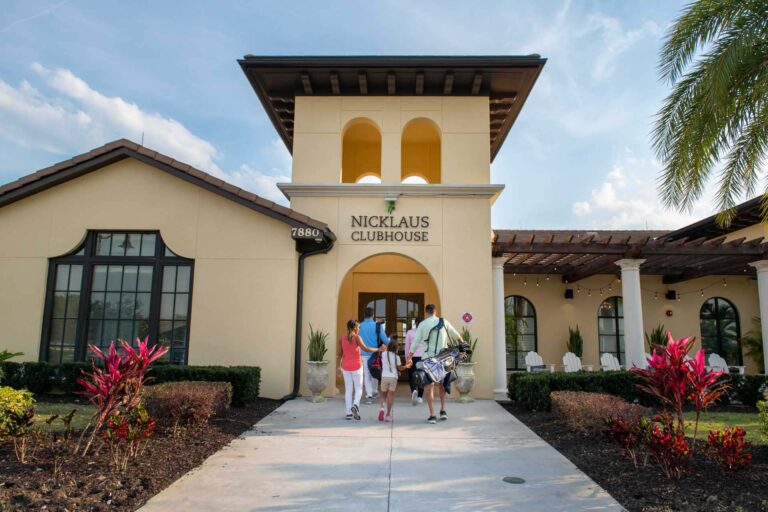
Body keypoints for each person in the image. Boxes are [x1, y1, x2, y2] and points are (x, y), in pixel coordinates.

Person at [406, 304, 462, 424]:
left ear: (426, 313)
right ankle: (443, 410)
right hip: (443, 358)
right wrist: (462, 346)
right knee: (442, 384)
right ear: (435, 312)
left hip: (428, 359)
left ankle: (432, 415)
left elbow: (415, 343)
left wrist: (409, 357)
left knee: (429, 386)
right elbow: (456, 336)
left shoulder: (423, 324)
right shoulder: (444, 322)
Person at [337, 319, 387, 420]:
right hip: (356, 366)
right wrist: (379, 349)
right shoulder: (357, 337)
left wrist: (339, 367)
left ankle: (348, 413)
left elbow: (340, 354)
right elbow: (366, 349)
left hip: (346, 367)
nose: (359, 328)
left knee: (348, 389)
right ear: (355, 328)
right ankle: (355, 405)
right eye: (359, 327)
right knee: (359, 389)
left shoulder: (342, 338)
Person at [358, 307, 389, 406]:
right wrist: (391, 343)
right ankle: (374, 391)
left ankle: (369, 395)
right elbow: (385, 340)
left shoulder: (359, 326)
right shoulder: (377, 326)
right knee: (376, 370)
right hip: (375, 354)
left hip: (363, 354)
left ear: (364, 315)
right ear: (373, 315)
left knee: (366, 374)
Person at [379, 334, 410, 422]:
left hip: (384, 376)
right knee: (390, 395)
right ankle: (388, 415)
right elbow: (400, 368)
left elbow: (383, 348)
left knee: (383, 394)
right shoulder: (397, 357)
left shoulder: (383, 354)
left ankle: (382, 408)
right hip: (393, 378)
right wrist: (407, 366)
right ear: (396, 348)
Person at [404, 320, 425, 406]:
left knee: (412, 376)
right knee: (422, 377)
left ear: (415, 324)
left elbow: (407, 346)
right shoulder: (426, 332)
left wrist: (407, 358)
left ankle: (414, 391)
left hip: (412, 357)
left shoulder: (410, 332)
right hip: (423, 357)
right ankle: (420, 396)